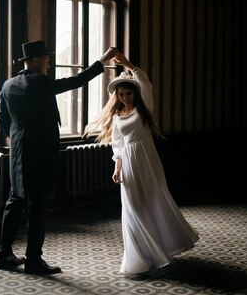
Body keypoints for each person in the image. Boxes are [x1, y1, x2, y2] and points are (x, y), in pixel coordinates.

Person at [0, 40, 118, 275]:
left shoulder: (8, 85)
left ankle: (4, 255)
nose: (48, 63)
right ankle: (33, 260)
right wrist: (102, 61)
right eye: (45, 59)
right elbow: (75, 82)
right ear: (33, 61)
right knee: (37, 205)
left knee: (15, 201)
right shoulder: (39, 83)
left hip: (18, 153)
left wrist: (20, 139)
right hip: (39, 155)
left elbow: (3, 120)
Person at [84, 52, 199, 276]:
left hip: (147, 160)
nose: (126, 97)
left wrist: (127, 64)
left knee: (153, 202)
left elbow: (144, 82)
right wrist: (117, 168)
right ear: (116, 95)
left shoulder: (143, 108)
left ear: (135, 94)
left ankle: (158, 250)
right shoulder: (117, 116)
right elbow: (117, 145)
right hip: (128, 163)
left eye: (129, 93)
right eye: (122, 94)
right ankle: (138, 257)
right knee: (132, 207)